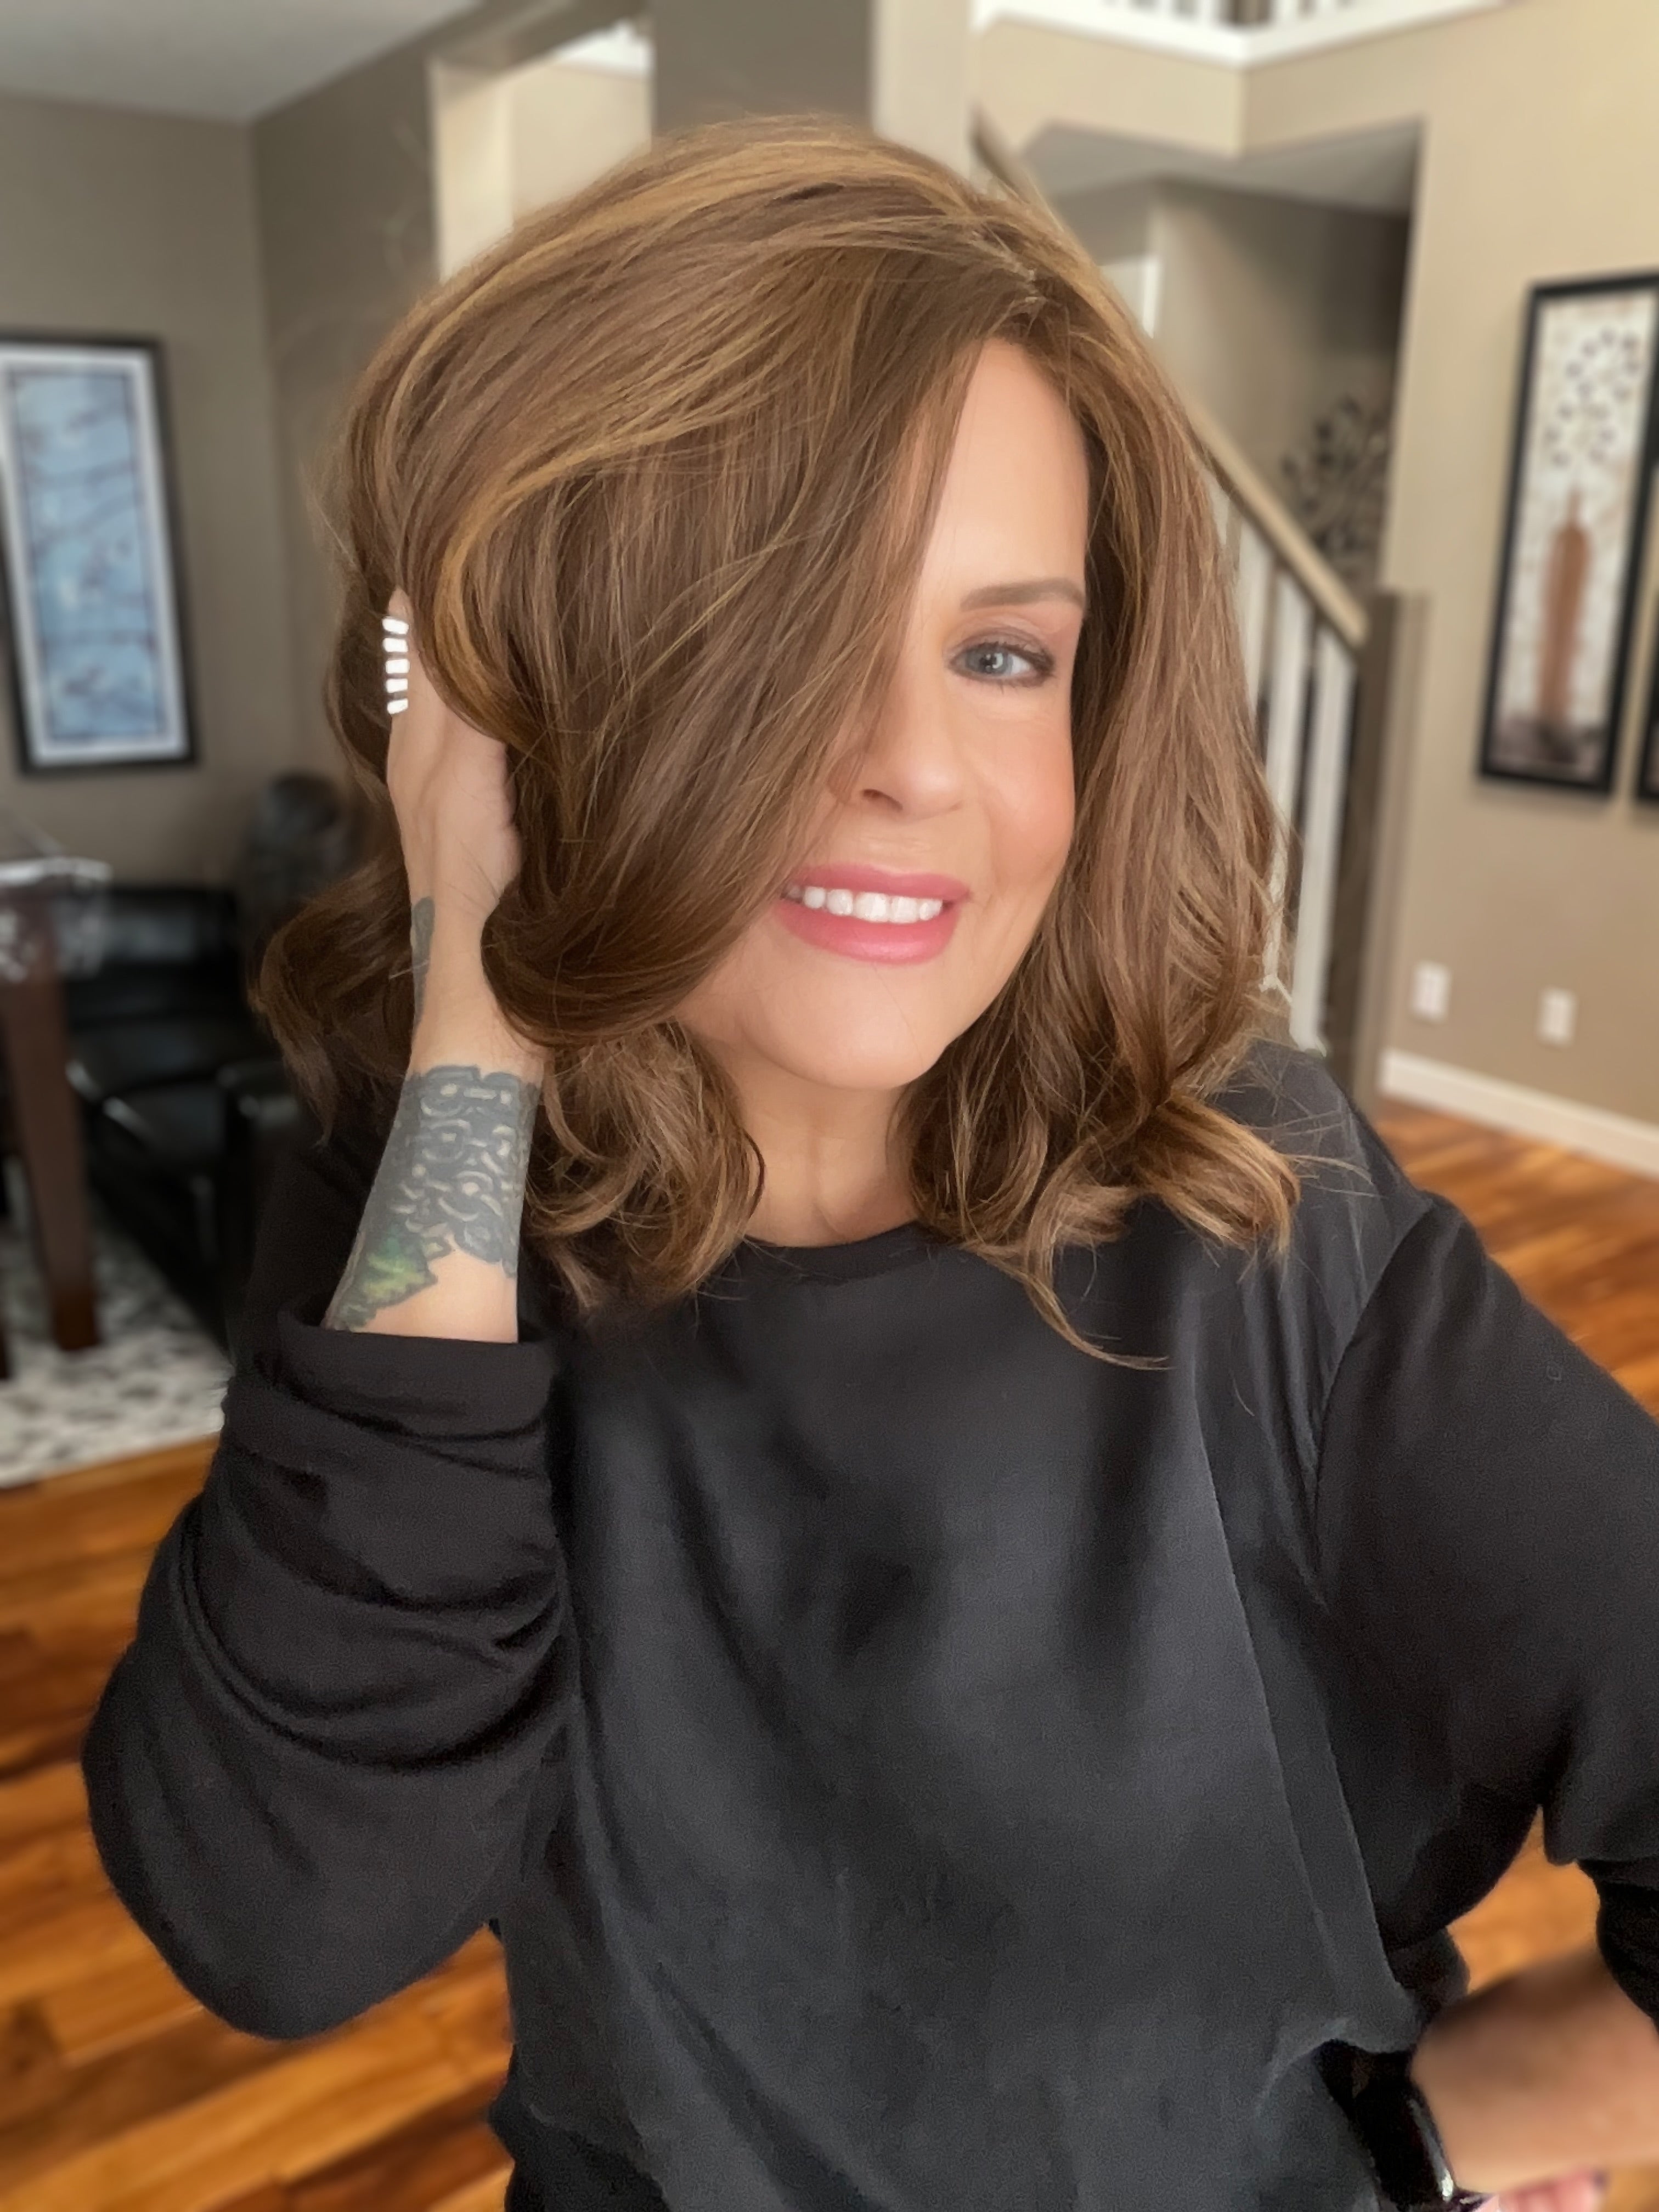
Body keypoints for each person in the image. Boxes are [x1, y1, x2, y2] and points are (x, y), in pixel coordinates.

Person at [82, 116, 1659, 2212]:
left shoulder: (1264, 1223)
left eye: (1003, 655)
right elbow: (281, 1916)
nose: (913, 762)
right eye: (780, 628)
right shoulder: (434, 1197)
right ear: (513, 698)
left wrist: (1447, 2131)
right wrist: (476, 1011)